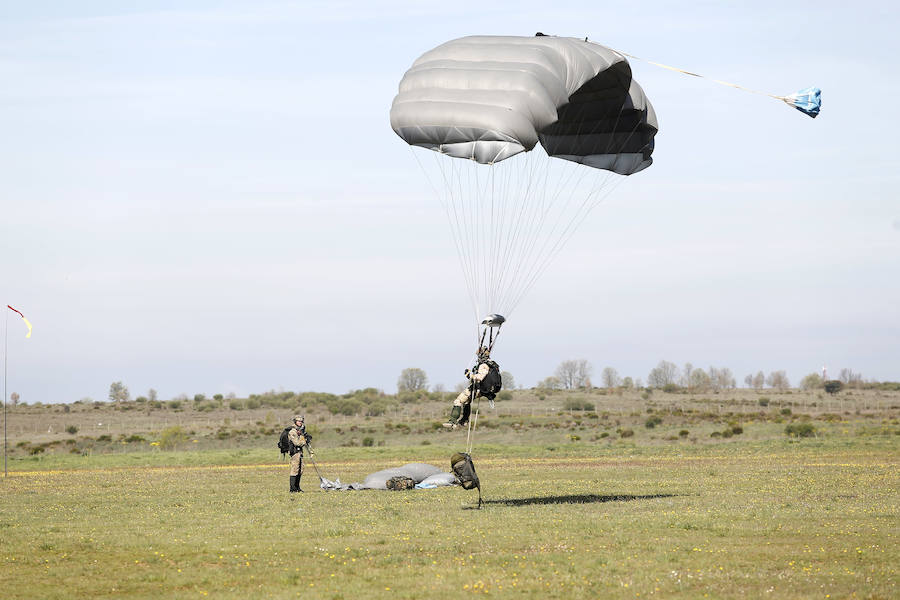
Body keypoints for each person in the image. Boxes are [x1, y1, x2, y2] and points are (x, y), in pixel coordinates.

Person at [443, 347, 499, 430]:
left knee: (458, 401)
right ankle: (464, 420)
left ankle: (452, 422)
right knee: (467, 401)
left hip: (478, 388)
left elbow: (480, 377)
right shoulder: (492, 364)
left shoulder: (483, 365)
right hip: (484, 389)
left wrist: (469, 375)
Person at [287, 415, 311, 493]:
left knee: (301, 469)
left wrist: (306, 437)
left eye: (301, 421)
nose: (300, 422)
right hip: (294, 452)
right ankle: (292, 489)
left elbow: (301, 440)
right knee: (295, 469)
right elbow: (296, 443)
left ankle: (297, 488)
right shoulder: (292, 432)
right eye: (298, 421)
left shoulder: (300, 430)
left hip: (300, 452)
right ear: (295, 422)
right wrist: (304, 441)